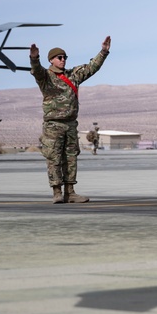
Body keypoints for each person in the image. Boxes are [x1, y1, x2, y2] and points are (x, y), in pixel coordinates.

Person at [30, 37, 111, 204]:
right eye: (59, 57)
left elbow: (91, 68)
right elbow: (37, 71)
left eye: (64, 57)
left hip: (71, 124)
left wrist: (103, 52)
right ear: (51, 60)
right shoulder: (46, 77)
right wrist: (34, 59)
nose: (63, 60)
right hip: (53, 125)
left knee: (71, 157)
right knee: (54, 157)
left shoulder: (73, 75)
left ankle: (70, 192)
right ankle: (57, 192)